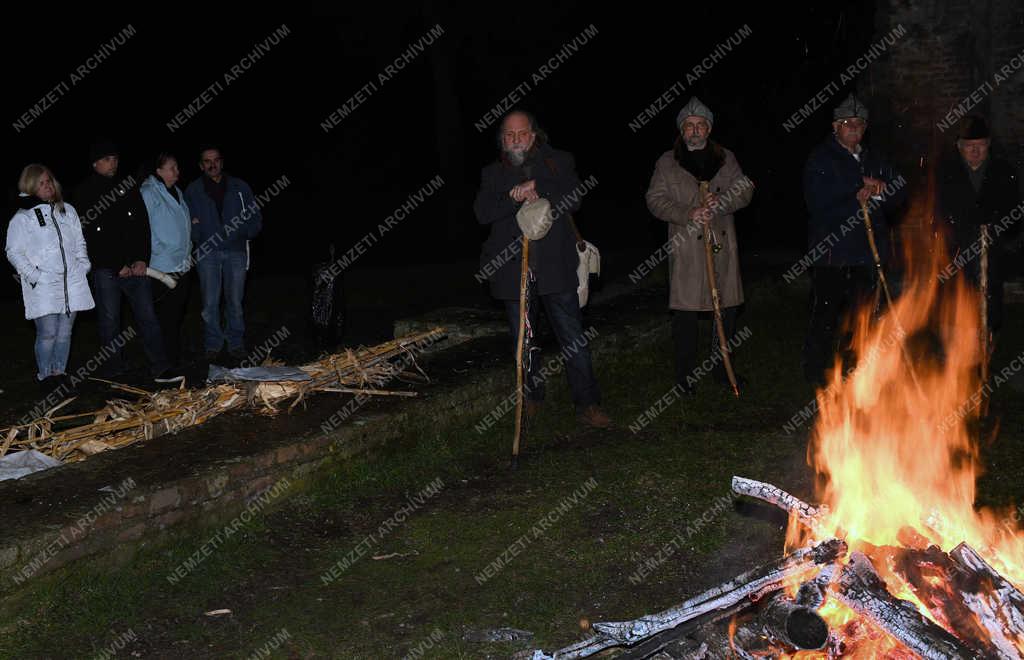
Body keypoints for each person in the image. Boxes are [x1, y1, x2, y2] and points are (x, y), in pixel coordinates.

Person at [474, 109, 611, 429]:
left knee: (572, 337)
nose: (516, 140)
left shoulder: (558, 162)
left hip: (555, 268)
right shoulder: (492, 173)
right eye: (509, 135)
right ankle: (532, 398)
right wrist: (513, 196)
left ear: (534, 135)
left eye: (522, 134)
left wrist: (540, 187)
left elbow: (574, 197)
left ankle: (588, 404)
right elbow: (482, 213)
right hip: (512, 270)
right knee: (523, 341)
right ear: (502, 140)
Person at [645, 97, 754, 394]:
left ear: (708, 129)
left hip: (721, 246)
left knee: (726, 312)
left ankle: (721, 370)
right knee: (686, 315)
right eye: (689, 126)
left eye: (700, 125)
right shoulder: (667, 162)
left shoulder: (725, 158)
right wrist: (688, 213)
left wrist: (721, 203)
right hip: (687, 250)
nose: (695, 131)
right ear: (682, 130)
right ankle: (685, 378)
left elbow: (745, 189)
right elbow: (654, 199)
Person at [801, 94, 906, 385]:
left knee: (863, 315)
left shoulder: (874, 158)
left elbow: (900, 191)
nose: (855, 130)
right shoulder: (821, 159)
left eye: (860, 125)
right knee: (826, 314)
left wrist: (882, 190)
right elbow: (817, 201)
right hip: (832, 253)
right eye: (849, 124)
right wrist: (854, 194)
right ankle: (817, 373)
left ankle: (855, 368)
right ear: (836, 126)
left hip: (867, 254)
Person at [73, 139, 182, 384]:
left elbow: (141, 225)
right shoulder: (84, 192)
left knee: (147, 316)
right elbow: (89, 235)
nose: (114, 163)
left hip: (136, 267)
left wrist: (142, 258)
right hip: (106, 270)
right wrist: (114, 264)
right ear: (95, 163)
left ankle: (160, 367)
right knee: (110, 320)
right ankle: (114, 369)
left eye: (116, 158)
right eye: (107, 159)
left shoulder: (128, 185)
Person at [6, 164, 94, 394]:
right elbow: (13, 251)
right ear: (31, 186)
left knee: (65, 332)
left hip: (71, 282)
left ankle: (59, 373)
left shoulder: (67, 210)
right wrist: (35, 276)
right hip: (44, 285)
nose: (48, 186)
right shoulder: (23, 217)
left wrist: (83, 265)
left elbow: (79, 240)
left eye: (49, 181)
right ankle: (45, 375)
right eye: (41, 183)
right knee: (48, 333)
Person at [935, 115, 1021, 339]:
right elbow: (939, 211)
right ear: (959, 146)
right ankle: (958, 351)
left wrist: (998, 230)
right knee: (958, 300)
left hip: (991, 249)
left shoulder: (1002, 171)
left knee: (989, 300)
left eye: (980, 145)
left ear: (988, 145)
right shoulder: (947, 172)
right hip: (957, 251)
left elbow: (1014, 210)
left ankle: (987, 348)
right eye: (969, 146)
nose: (975, 151)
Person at [184, 146, 262, 365]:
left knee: (235, 301)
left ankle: (235, 343)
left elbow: (255, 215)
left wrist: (245, 231)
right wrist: (196, 232)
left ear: (222, 162)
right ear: (201, 165)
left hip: (236, 251)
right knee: (209, 303)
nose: (212, 164)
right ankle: (213, 344)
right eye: (207, 161)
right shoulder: (193, 190)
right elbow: (186, 220)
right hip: (207, 253)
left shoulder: (240, 186)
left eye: (216, 160)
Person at [140, 152, 193, 368]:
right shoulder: (148, 192)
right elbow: (143, 229)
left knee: (176, 315)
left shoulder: (177, 192)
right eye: (172, 168)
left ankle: (174, 357)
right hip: (161, 267)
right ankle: (164, 362)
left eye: (177, 168)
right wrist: (157, 250)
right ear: (158, 171)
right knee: (164, 317)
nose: (177, 172)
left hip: (182, 264)